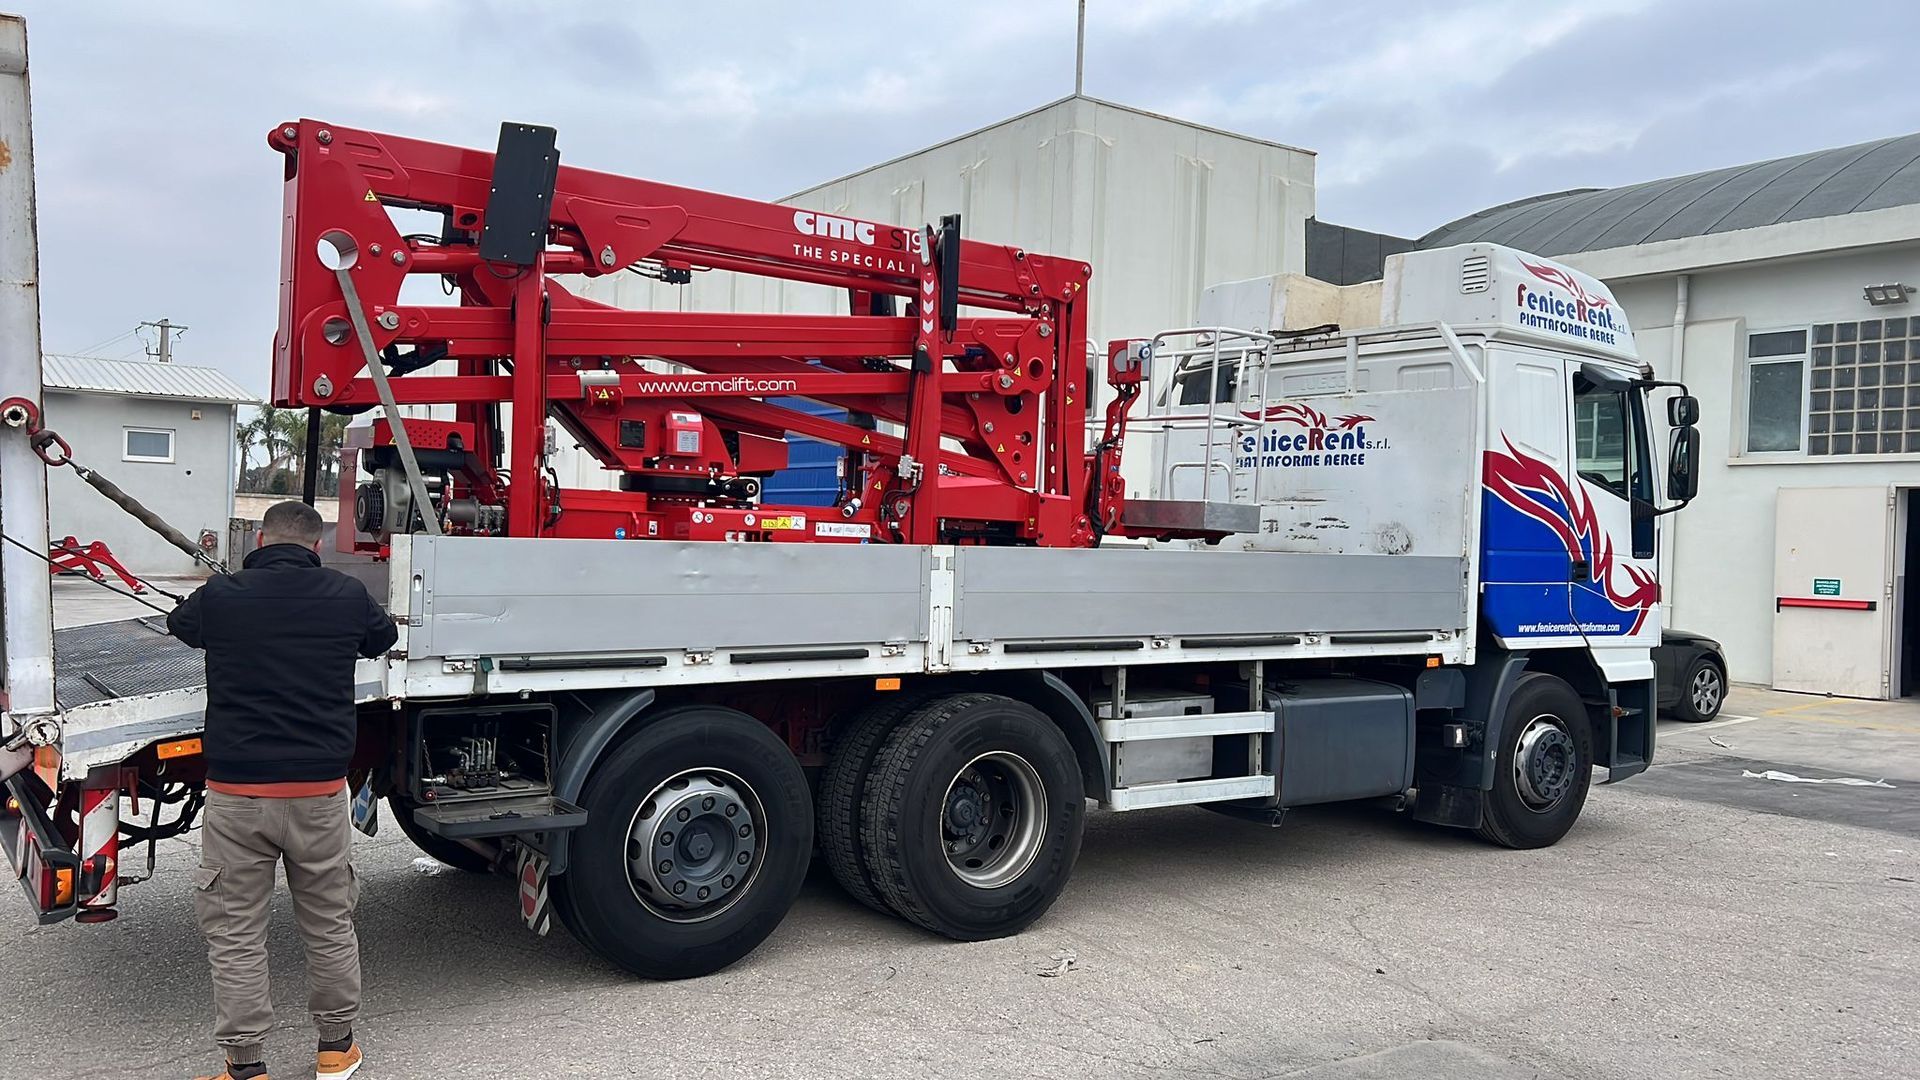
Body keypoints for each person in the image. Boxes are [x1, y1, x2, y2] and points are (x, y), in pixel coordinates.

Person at [167, 500, 398, 1080]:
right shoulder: (345, 594)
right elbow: (384, 636)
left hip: (237, 796)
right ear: (317, 547)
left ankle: (245, 1068)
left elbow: (179, 624)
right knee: (329, 923)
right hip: (319, 793)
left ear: (260, 541)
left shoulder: (223, 594)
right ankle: (336, 1049)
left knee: (236, 933)